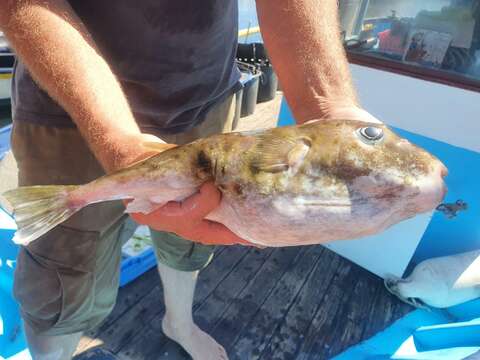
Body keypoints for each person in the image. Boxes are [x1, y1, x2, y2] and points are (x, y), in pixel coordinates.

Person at [0, 1, 381, 359]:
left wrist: (329, 111)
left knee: (193, 235)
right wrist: (118, 143)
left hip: (207, 96)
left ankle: (179, 323)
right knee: (62, 274)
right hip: (66, 106)